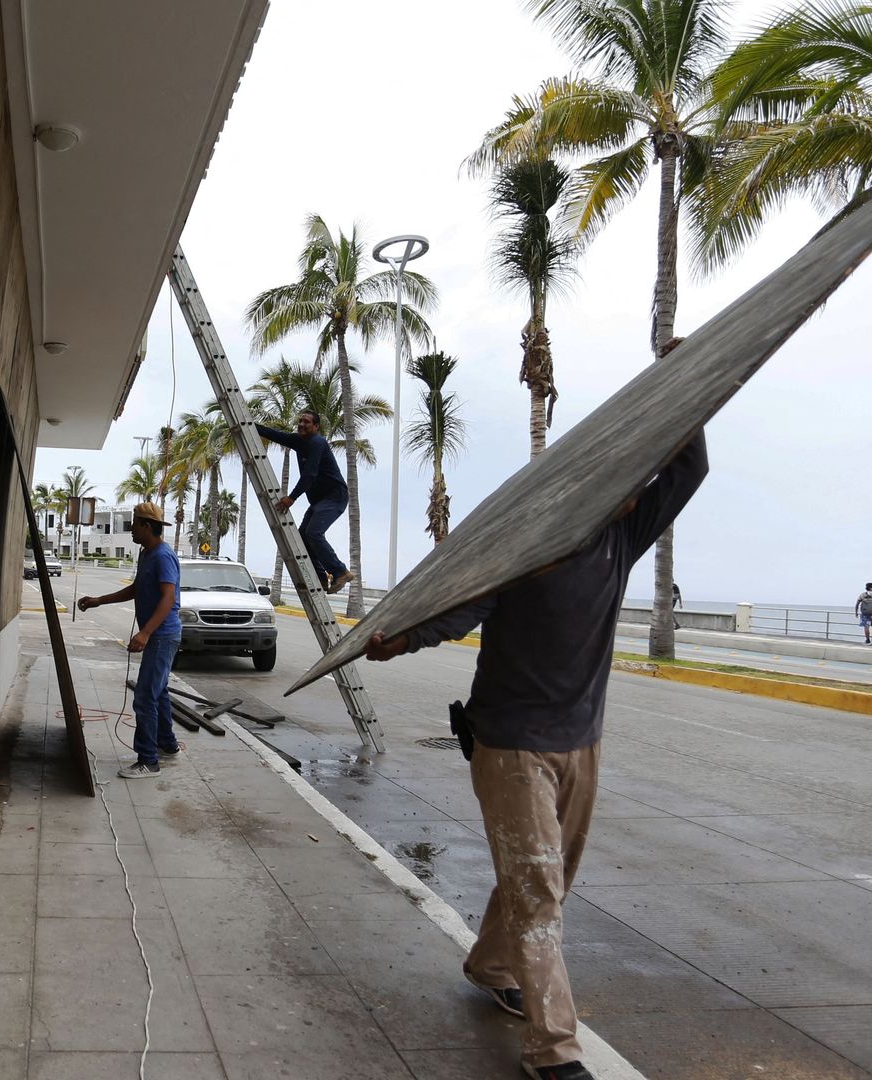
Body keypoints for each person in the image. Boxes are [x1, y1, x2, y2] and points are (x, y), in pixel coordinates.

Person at [365, 429, 709, 1080]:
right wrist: (396, 640)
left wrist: (687, 387)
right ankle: (554, 1050)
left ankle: (490, 965)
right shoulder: (523, 552)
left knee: (547, 878)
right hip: (510, 745)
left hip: (582, 741)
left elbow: (690, 469)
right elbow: (454, 610)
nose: (634, 496)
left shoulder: (617, 542)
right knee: (539, 890)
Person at [77, 502, 182, 778]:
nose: (131, 529)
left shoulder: (162, 556)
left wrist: (145, 632)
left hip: (162, 636)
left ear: (147, 526)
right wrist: (100, 600)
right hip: (158, 635)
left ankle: (148, 760)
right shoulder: (146, 555)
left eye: (134, 524)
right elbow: (137, 589)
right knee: (157, 691)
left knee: (145, 697)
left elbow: (168, 598)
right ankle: (167, 745)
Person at [256, 409, 351, 594]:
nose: (301, 424)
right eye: (300, 421)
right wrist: (250, 426)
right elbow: (274, 434)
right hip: (319, 500)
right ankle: (320, 578)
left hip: (335, 496)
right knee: (303, 536)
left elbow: (310, 475)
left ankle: (340, 571)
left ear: (316, 427)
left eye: (307, 422)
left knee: (314, 533)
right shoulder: (299, 441)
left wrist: (291, 497)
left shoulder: (317, 442)